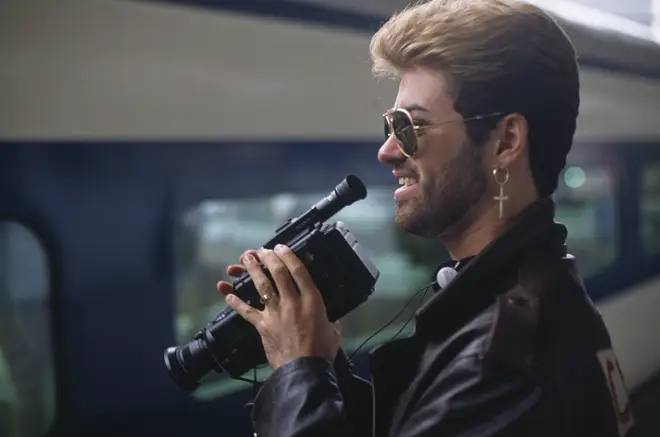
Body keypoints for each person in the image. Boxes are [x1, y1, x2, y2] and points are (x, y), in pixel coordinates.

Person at [217, 0, 636, 435]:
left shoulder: (504, 367)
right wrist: (320, 361)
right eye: (389, 126)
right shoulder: (520, 304)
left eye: (410, 127)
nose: (387, 151)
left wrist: (296, 371)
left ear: (506, 140)